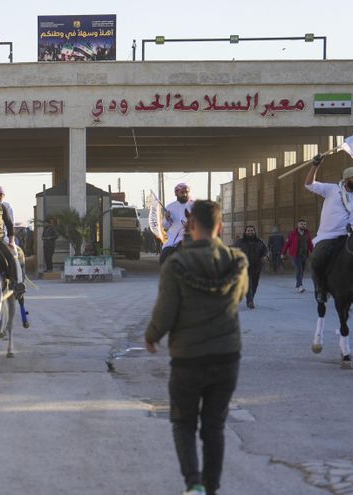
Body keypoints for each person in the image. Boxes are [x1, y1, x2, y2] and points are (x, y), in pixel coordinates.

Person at [144, 200, 248, 495]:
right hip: (227, 357)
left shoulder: (177, 264)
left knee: (184, 423)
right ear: (221, 227)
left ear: (189, 226)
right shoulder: (237, 261)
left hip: (188, 358)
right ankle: (212, 488)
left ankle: (194, 485)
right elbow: (238, 297)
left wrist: (152, 336)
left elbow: (166, 311)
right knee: (214, 426)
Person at [304, 155, 353, 301]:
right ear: (345, 180)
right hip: (330, 236)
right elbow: (309, 184)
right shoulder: (332, 190)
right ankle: (321, 288)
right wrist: (315, 166)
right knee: (317, 258)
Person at [160, 183, 194, 265]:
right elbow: (165, 225)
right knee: (164, 256)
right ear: (176, 193)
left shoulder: (194, 205)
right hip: (173, 239)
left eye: (186, 192)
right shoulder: (170, 207)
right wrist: (167, 218)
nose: (185, 194)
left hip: (189, 237)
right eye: (182, 192)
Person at [234, 225, 267, 309]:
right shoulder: (239, 242)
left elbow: (265, 250)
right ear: (245, 232)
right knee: (247, 284)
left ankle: (251, 298)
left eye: (252, 230)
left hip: (257, 266)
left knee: (255, 284)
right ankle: (250, 301)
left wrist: (265, 256)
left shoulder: (260, 241)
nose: (250, 232)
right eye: (248, 230)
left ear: (254, 232)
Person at [281, 219, 313, 293]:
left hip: (304, 255)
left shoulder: (307, 233)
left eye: (304, 224)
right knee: (299, 269)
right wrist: (283, 253)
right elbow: (287, 244)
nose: (303, 225)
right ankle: (300, 286)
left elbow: (310, 244)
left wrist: (313, 252)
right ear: (298, 225)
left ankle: (298, 284)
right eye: (301, 224)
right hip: (295, 255)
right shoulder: (292, 234)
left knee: (302, 271)